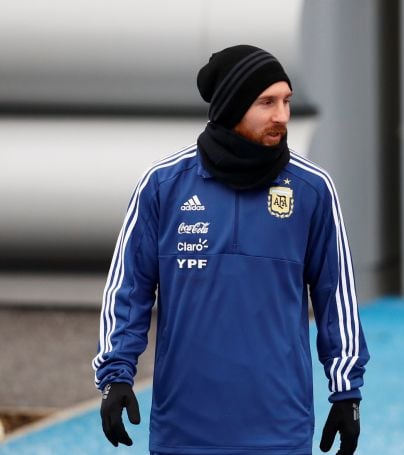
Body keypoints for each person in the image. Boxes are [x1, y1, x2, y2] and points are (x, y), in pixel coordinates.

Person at [92, 45, 369, 455]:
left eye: (287, 101)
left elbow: (336, 296)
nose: (283, 116)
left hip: (280, 426)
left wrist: (347, 391)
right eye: (267, 103)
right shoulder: (164, 185)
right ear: (231, 106)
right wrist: (117, 377)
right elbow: (127, 290)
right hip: (184, 426)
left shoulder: (312, 188)